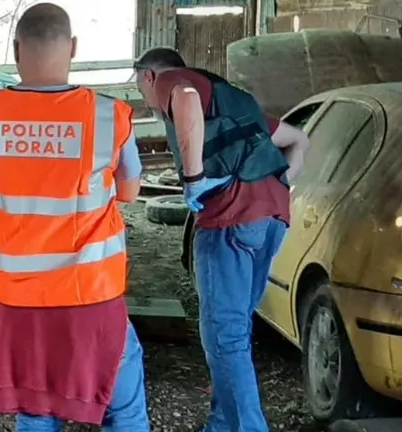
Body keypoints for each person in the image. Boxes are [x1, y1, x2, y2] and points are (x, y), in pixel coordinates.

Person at [0, 3, 150, 431]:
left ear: (15, 48)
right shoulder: (108, 116)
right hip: (90, 302)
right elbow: (130, 192)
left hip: (18, 304)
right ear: (74, 48)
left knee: (36, 412)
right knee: (123, 410)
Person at [133, 48, 309, 432]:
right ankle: (222, 423)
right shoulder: (233, 101)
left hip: (229, 221)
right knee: (235, 330)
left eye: (140, 85)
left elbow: (185, 98)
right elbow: (299, 140)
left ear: (148, 75)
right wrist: (277, 184)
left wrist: (194, 178)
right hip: (273, 219)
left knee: (223, 336)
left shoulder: (171, 81)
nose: (147, 97)